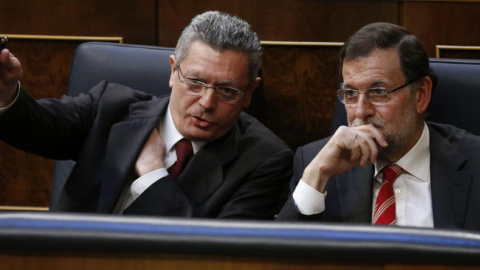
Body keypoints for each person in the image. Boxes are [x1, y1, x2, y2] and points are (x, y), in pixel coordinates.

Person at [0, 11, 293, 219]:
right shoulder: (110, 107)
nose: (206, 102)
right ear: (172, 70)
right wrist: (5, 94)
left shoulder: (264, 160)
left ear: (250, 91)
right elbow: (35, 126)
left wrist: (153, 172)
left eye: (228, 91)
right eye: (195, 82)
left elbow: (217, 253)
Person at [277, 22, 480, 231]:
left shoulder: (475, 163)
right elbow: (277, 258)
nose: (360, 111)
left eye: (379, 92)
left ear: (420, 95)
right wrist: (315, 176)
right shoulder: (317, 163)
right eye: (350, 94)